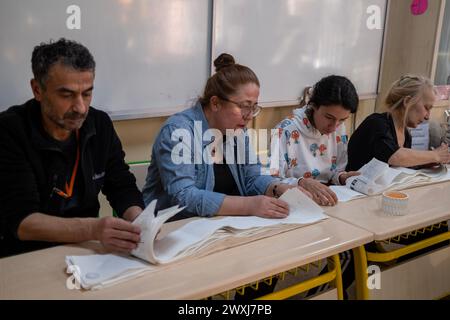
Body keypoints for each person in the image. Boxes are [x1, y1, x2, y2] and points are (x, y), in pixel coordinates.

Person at [0, 39, 144, 258]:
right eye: (66, 95)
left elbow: (121, 185)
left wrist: (140, 222)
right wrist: (93, 229)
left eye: (87, 93)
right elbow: (22, 221)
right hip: (25, 257)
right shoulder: (10, 130)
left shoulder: (99, 124)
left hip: (86, 250)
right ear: (37, 90)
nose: (80, 107)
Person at [142, 53, 311, 221]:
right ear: (215, 103)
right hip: (176, 229)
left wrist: (278, 188)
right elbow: (184, 197)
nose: (250, 116)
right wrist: (249, 206)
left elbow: (252, 177)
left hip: (221, 226)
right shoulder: (179, 131)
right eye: (244, 106)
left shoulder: (237, 130)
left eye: (254, 107)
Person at [270, 75, 360, 206]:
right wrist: (301, 182)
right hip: (297, 204)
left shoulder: (339, 129)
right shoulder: (284, 130)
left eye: (342, 120)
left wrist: (342, 177)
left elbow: (334, 172)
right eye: (329, 117)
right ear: (313, 106)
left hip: (327, 201)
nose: (334, 126)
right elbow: (271, 181)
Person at [347, 74, 450, 171]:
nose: (427, 116)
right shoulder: (376, 123)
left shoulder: (405, 134)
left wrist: (427, 162)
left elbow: (398, 167)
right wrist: (435, 155)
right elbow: (394, 156)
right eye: (426, 108)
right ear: (407, 102)